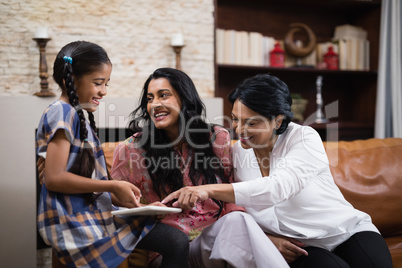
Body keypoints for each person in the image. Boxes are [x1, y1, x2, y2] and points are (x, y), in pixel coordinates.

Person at [162, 73, 394, 268]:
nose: (239, 130)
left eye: (251, 122)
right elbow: (235, 211)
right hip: (301, 247)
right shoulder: (238, 153)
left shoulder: (303, 138)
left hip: (345, 231)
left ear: (277, 120)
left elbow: (278, 188)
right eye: (235, 119)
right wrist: (266, 239)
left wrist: (207, 190)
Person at [111, 67, 288, 267]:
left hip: (217, 241)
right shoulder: (130, 150)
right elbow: (117, 204)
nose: (155, 104)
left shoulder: (216, 138)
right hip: (171, 249)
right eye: (150, 98)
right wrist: (146, 210)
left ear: (185, 98)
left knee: (237, 219)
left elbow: (231, 192)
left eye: (164, 95)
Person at [36, 41, 189, 268]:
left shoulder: (79, 117)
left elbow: (93, 185)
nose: (104, 91)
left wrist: (140, 205)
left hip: (95, 213)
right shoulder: (62, 111)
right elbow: (55, 179)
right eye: (98, 83)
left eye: (106, 83)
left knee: (176, 240)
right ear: (73, 78)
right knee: (175, 241)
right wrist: (113, 186)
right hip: (74, 221)